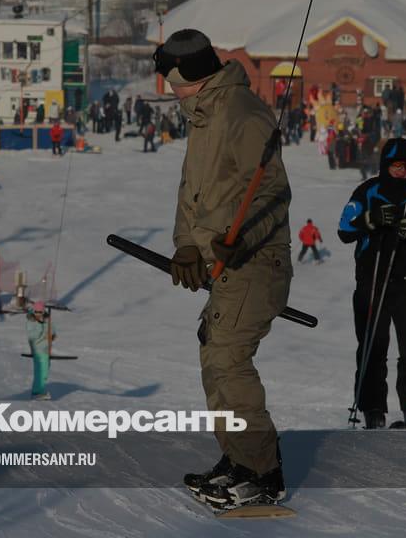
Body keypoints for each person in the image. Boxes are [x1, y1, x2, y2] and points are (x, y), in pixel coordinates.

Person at [157, 29, 292, 508]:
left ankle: (262, 473)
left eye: (173, 81)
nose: (170, 90)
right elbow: (191, 193)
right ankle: (238, 458)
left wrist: (242, 240)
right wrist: (187, 248)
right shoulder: (204, 116)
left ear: (190, 76)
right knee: (214, 359)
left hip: (256, 261)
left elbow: (273, 193)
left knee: (229, 362)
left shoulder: (242, 113)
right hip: (224, 265)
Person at [337, 137, 406, 430]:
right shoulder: (368, 190)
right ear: (385, 165)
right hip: (373, 278)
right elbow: (344, 228)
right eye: (396, 166)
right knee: (373, 344)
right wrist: (371, 219)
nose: (402, 172)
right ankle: (373, 407)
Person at [26, 300, 54, 400]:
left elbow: (52, 330)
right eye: (36, 312)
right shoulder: (31, 321)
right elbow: (32, 336)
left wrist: (52, 335)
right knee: (40, 371)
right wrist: (40, 325)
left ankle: (39, 391)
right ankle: (37, 392)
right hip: (37, 350)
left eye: (40, 312)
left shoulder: (46, 319)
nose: (38, 314)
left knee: (45, 371)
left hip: (46, 349)